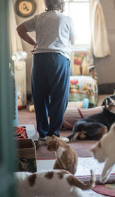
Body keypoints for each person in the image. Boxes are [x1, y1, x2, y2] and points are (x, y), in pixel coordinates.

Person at [17, 0, 75, 143]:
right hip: (59, 59)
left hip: (40, 59)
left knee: (40, 95)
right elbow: (73, 40)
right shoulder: (66, 19)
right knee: (59, 96)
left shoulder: (38, 18)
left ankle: (42, 133)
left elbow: (20, 29)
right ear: (61, 4)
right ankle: (53, 134)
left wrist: (35, 43)